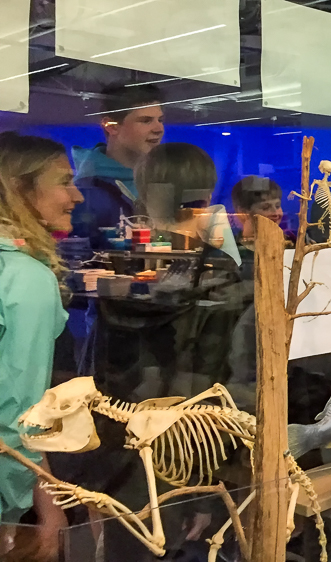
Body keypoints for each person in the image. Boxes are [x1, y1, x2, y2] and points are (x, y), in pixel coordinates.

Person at [0, 132, 78, 558]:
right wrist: (36, 508)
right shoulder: (25, 277)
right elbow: (20, 410)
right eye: (64, 181)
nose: (77, 195)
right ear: (18, 188)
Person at [71, 84, 164, 247]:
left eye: (160, 120)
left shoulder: (163, 181)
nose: (159, 128)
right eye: (146, 120)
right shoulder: (85, 192)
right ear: (112, 126)